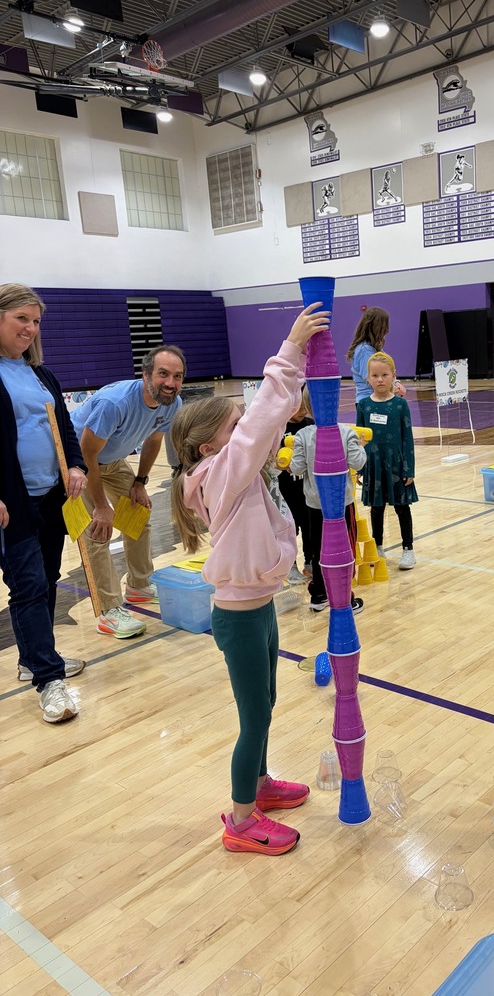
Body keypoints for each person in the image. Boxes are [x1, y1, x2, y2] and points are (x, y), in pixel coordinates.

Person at [170, 302, 329, 856]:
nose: (248, 434)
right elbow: (262, 420)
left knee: (267, 700)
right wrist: (290, 349)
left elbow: (267, 423)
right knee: (254, 716)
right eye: (234, 430)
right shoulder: (218, 475)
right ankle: (240, 820)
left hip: (258, 606)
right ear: (209, 447)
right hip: (238, 615)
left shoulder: (232, 472)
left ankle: (260, 786)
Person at [0, 283, 88, 723]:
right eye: (21, 319)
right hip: (11, 504)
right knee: (29, 585)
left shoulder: (41, 374)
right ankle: (49, 679)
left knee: (48, 577)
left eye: (35, 322)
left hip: (52, 496)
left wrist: (75, 465)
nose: (31, 329)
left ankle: (33, 657)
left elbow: (65, 427)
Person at [70, 345, 186, 637]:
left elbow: (153, 440)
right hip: (78, 463)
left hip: (111, 461)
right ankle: (108, 610)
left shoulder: (172, 403)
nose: (170, 383)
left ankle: (138, 585)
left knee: (138, 515)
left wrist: (140, 482)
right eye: (163, 374)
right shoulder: (115, 402)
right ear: (146, 374)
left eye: (177, 376)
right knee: (97, 531)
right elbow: (86, 454)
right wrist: (100, 506)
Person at [289, 386, 367, 614]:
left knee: (318, 550)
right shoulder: (347, 433)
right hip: (341, 505)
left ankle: (319, 595)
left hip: (314, 506)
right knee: (345, 551)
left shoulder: (302, 435)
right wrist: (361, 447)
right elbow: (358, 463)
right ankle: (345, 599)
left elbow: (296, 468)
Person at [356, 352, 418, 569]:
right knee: (376, 508)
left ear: (394, 376)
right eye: (375, 375)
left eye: (384, 375)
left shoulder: (401, 405)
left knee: (402, 507)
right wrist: (360, 468)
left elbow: (407, 438)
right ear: (368, 378)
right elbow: (359, 439)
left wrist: (408, 468)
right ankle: (378, 547)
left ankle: (408, 550)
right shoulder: (363, 405)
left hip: (397, 465)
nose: (380, 379)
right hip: (373, 465)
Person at [278, 395, 314, 583]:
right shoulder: (279, 428)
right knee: (289, 531)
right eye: (299, 407)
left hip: (307, 488)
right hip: (285, 490)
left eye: (305, 407)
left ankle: (310, 563)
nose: (303, 411)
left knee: (310, 527)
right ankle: (289, 566)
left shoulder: (310, 425)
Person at [345, 307, 405, 405]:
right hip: (369, 402)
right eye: (385, 326)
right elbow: (372, 380)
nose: (387, 330)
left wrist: (396, 383)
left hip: (379, 400)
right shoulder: (364, 350)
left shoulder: (374, 348)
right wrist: (394, 389)